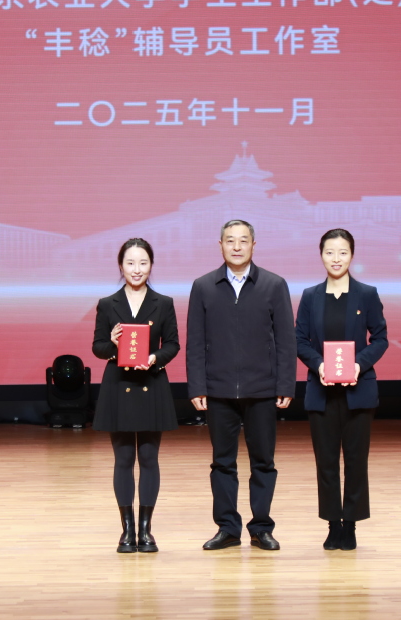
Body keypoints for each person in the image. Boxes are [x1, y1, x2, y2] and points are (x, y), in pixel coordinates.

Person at [187, 220, 297, 551]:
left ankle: (261, 528)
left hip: (262, 390)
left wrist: (285, 384)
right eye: (230, 241)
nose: (237, 247)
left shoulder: (274, 285)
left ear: (253, 245)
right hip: (218, 391)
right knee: (223, 462)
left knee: (263, 461)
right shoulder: (203, 286)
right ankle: (228, 528)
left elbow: (286, 340)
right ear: (220, 245)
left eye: (243, 241)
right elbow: (195, 342)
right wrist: (197, 386)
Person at [295, 229, 388, 550]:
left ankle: (351, 525)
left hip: (358, 392)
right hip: (321, 392)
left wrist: (358, 365)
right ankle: (333, 524)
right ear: (321, 255)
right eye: (330, 253)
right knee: (326, 462)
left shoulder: (367, 294)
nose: (336, 259)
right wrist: (320, 365)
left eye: (343, 252)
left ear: (352, 255)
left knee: (356, 461)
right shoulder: (310, 296)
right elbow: (300, 340)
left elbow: (380, 339)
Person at [92, 238, 180, 554]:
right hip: (119, 385)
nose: (137, 269)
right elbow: (98, 347)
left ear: (151, 265)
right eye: (130, 263)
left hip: (151, 383)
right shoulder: (107, 303)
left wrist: (154, 358)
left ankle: (146, 530)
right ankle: (127, 531)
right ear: (121, 266)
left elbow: (173, 344)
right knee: (124, 459)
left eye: (143, 263)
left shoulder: (163, 303)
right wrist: (114, 343)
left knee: (149, 458)